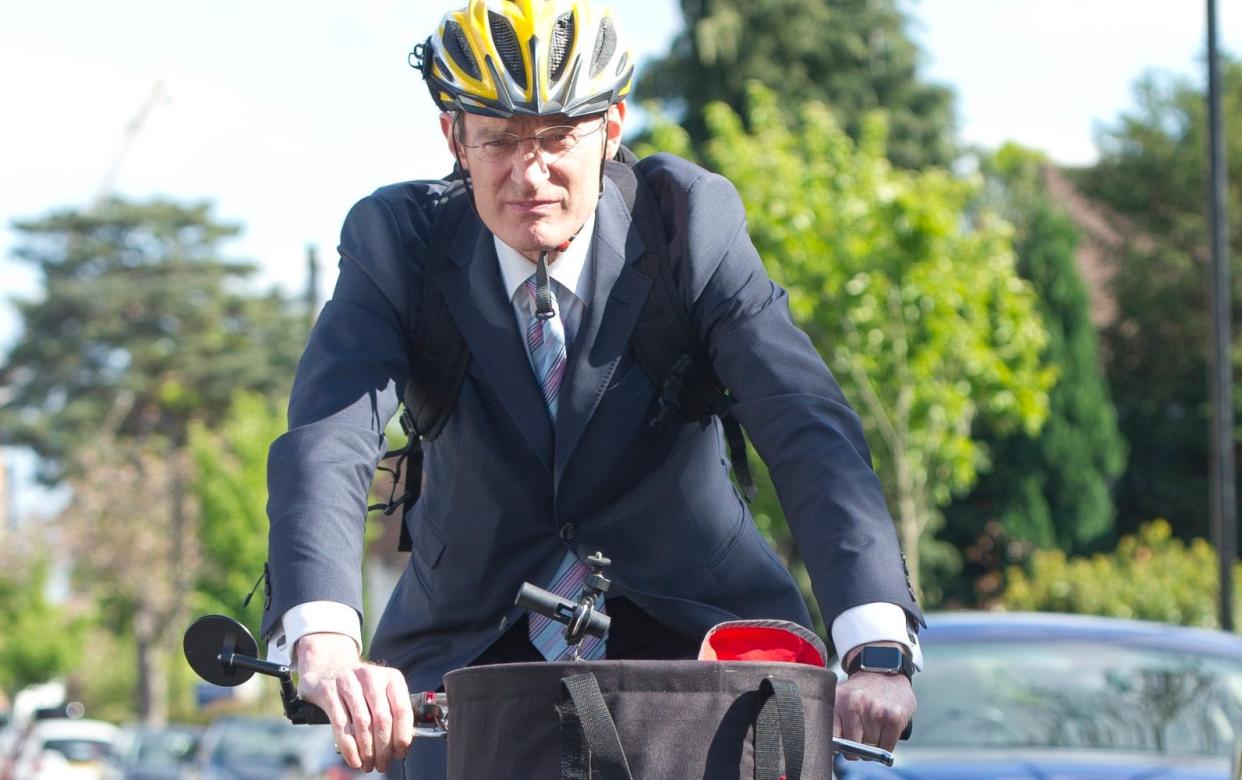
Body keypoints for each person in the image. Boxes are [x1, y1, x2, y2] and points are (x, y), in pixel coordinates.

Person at [261, 0, 924, 776]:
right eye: (500, 140)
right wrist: (326, 640)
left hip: (696, 642)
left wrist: (875, 644)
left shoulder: (689, 226)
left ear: (611, 128)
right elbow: (329, 441)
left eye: (557, 138)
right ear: (454, 139)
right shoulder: (397, 243)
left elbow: (806, 427)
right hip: (469, 656)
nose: (529, 172)